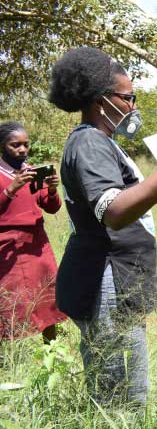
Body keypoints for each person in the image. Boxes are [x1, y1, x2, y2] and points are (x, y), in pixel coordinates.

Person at [49, 47, 157, 406]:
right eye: (128, 97)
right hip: (104, 277)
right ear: (102, 101)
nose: (133, 106)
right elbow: (115, 212)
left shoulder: (103, 142)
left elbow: (131, 202)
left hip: (121, 273)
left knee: (131, 381)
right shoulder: (88, 141)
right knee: (114, 386)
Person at [0, 122, 67, 343]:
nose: (22, 150)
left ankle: (52, 349)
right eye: (15, 145)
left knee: (46, 297)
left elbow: (51, 207)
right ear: (2, 146)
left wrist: (52, 189)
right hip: (8, 247)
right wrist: (11, 189)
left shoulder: (31, 171)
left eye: (25, 145)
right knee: (11, 302)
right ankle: (9, 357)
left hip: (37, 245)